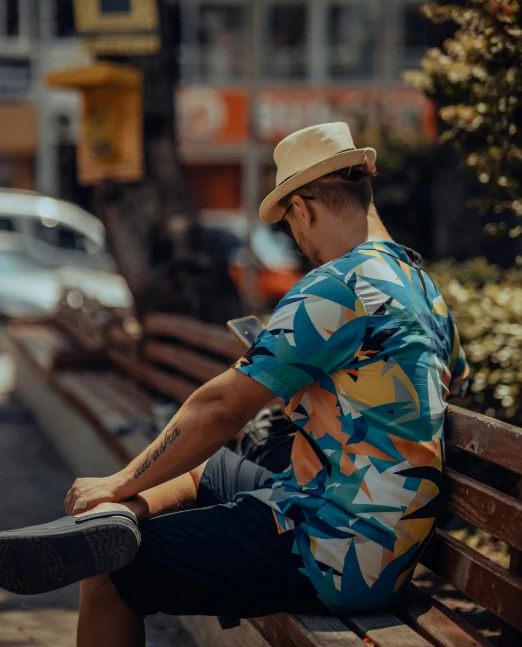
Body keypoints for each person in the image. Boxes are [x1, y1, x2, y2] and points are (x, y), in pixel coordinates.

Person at [0, 122, 469, 647]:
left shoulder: (340, 284)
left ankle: (113, 521)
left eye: (290, 224)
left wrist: (119, 480)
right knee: (209, 471)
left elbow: (223, 406)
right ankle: (116, 521)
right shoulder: (420, 284)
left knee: (112, 574)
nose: (297, 239)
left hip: (336, 550)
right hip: (374, 532)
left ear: (304, 207)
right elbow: (444, 384)